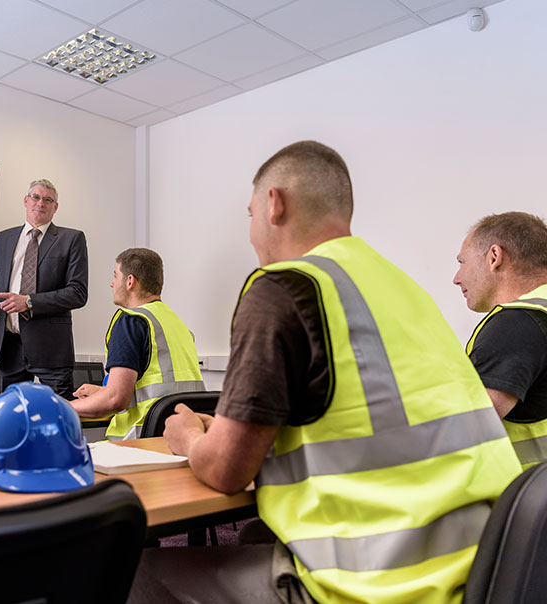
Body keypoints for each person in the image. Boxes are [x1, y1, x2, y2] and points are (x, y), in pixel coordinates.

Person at [128, 141, 520, 604]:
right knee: (255, 535)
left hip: (381, 583)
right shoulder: (401, 286)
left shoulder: (283, 286)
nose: (252, 235)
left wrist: (191, 436)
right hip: (484, 566)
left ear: (274, 204)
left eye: (250, 215)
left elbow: (227, 471)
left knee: (135, 575)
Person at [0, 179, 88, 400]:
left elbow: (77, 292)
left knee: (57, 419)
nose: (40, 203)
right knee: (14, 419)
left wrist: (29, 301)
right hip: (10, 347)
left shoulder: (71, 239)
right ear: (26, 200)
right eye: (36, 197)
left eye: (48, 200)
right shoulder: (4, 238)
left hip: (52, 350)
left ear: (55, 207)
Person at [70, 248, 204, 439]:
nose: (112, 283)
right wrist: (103, 391)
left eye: (115, 276)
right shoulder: (176, 323)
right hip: (181, 437)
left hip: (138, 443)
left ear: (130, 281)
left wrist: (60, 406)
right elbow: (162, 387)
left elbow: (115, 400)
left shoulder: (131, 322)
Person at [454, 211, 547, 469]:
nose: (456, 278)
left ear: (494, 257)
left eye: (462, 262)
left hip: (533, 502)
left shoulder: (517, 325)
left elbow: (466, 426)